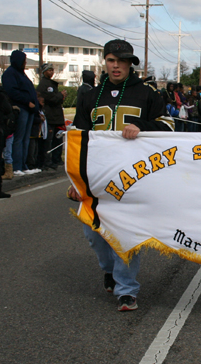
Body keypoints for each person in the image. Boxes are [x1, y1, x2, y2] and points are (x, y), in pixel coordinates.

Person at [68, 39, 174, 312]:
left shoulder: (147, 92)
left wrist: (141, 125)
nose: (116, 66)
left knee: (126, 234)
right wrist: (74, 181)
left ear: (130, 63)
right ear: (105, 61)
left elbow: (168, 126)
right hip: (97, 175)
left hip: (134, 177)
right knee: (93, 233)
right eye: (112, 60)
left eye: (122, 61)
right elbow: (78, 142)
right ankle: (110, 269)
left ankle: (126, 289)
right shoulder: (90, 95)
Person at [2, 50, 40, 176]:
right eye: (24, 60)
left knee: (26, 138)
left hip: (29, 110)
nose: (25, 63)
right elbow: (12, 91)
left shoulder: (22, 74)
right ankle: (16, 166)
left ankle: (24, 165)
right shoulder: (10, 74)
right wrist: (27, 101)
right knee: (19, 138)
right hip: (21, 108)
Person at [37, 63, 66, 169]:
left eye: (52, 70)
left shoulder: (51, 83)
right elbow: (51, 98)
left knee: (58, 139)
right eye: (49, 70)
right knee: (48, 141)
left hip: (56, 117)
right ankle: (47, 161)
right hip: (50, 116)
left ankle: (57, 158)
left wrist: (61, 97)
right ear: (44, 72)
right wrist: (60, 95)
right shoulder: (45, 84)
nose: (51, 72)